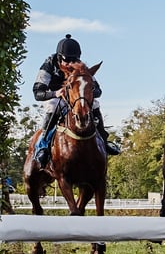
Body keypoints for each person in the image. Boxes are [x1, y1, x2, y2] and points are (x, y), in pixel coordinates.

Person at [32, 34, 121, 167]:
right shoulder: (48, 65)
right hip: (57, 97)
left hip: (76, 99)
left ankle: (104, 139)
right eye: (67, 60)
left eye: (74, 60)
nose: (70, 64)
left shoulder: (80, 67)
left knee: (95, 103)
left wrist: (87, 93)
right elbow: (37, 93)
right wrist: (55, 93)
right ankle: (43, 146)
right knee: (52, 106)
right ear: (59, 56)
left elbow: (98, 91)